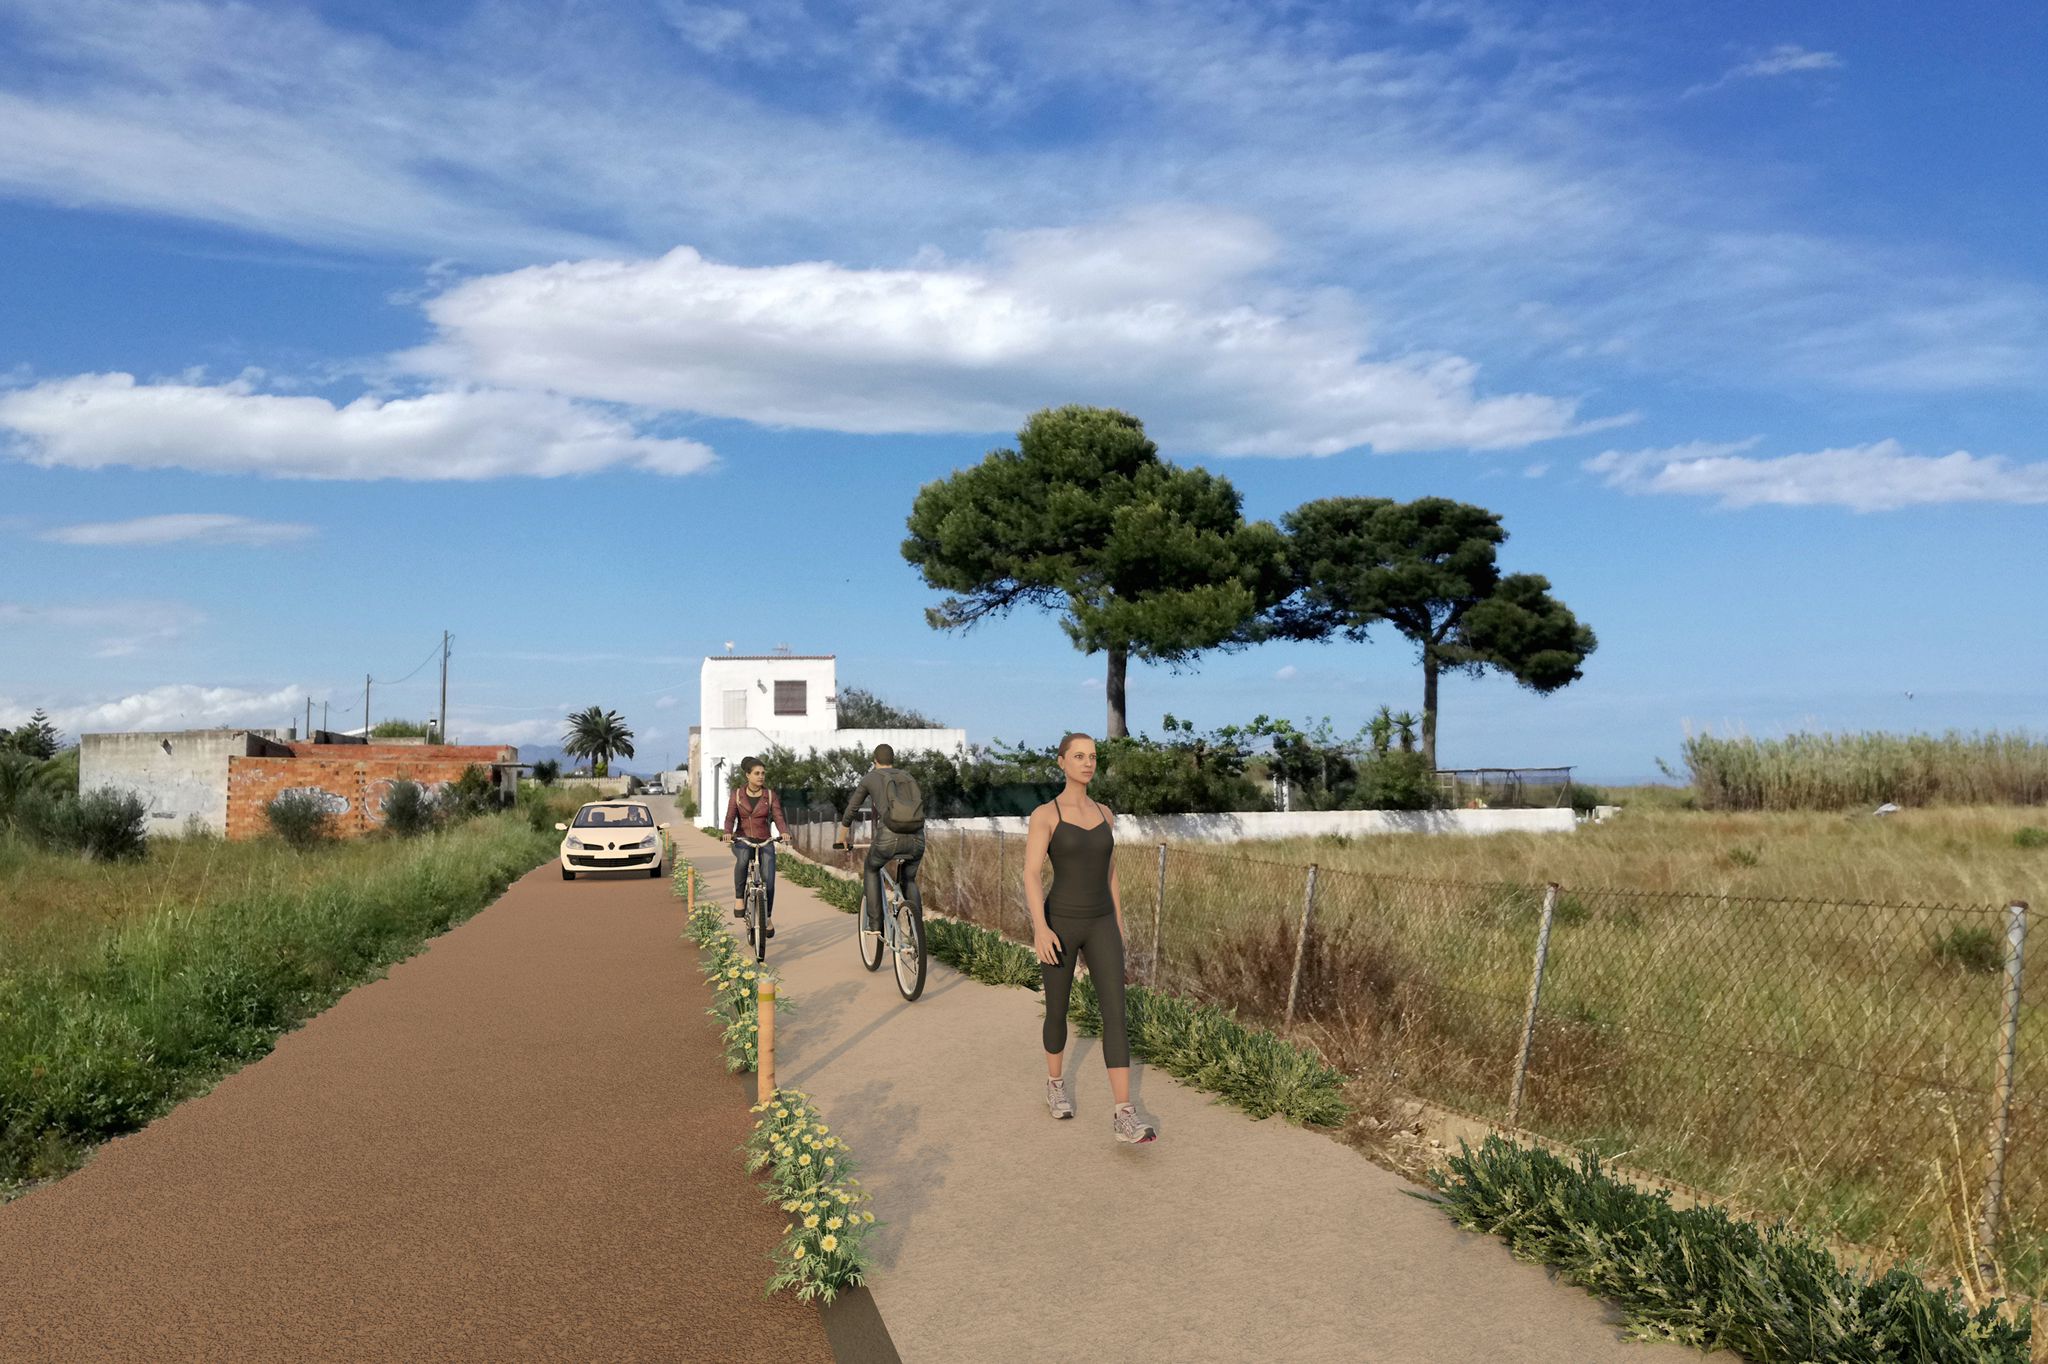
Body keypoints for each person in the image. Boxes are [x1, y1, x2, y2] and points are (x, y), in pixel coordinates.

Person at [1024, 732, 1155, 1144]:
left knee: (1116, 1013)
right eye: (1079, 756)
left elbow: (1110, 872)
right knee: (1057, 1010)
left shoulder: (1105, 813)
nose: (1087, 763)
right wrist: (1040, 928)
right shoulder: (1045, 814)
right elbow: (1031, 873)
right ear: (1062, 762)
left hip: (1101, 923)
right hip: (1060, 923)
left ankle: (1124, 1113)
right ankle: (1055, 1083)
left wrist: (1118, 923)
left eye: (1093, 756)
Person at [837, 744, 925, 935]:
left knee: (872, 867)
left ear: (874, 761)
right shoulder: (907, 776)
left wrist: (842, 837)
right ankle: (917, 932)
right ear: (893, 760)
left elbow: (852, 809)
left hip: (888, 836)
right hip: (917, 838)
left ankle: (875, 924)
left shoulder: (871, 778)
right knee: (909, 879)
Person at [722, 757, 791, 937]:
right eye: (757, 773)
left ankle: (767, 917)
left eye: (763, 773)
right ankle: (739, 898)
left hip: (764, 840)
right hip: (742, 839)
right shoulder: (737, 794)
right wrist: (727, 832)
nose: (761, 776)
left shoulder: (770, 795)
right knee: (744, 858)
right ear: (748, 775)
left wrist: (784, 832)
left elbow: (778, 816)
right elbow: (730, 817)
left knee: (769, 880)